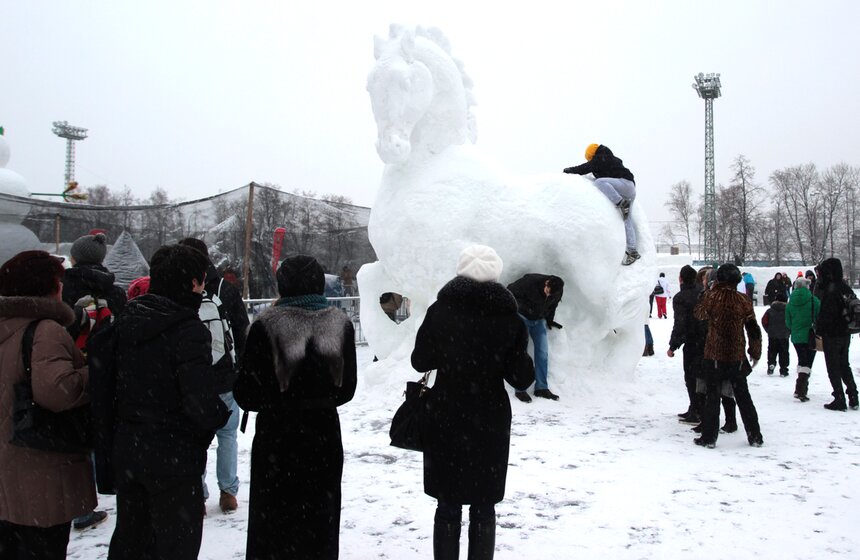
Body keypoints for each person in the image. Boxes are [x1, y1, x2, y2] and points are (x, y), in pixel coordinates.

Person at [90, 244, 230, 559]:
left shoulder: (126, 319)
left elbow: (106, 385)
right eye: (202, 280)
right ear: (193, 283)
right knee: (175, 543)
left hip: (128, 447)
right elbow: (199, 402)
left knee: (132, 536)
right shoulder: (187, 330)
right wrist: (216, 416)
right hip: (173, 456)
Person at [411, 245, 535, 560]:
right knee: (484, 504)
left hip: (446, 412)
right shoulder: (510, 319)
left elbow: (420, 360)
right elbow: (521, 378)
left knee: (447, 503)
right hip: (489, 417)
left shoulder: (440, 311)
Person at [234, 255, 357, 560]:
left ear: (282, 284)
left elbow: (246, 394)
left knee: (274, 521)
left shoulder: (264, 325)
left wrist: (278, 401)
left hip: (277, 439)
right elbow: (347, 389)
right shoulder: (340, 324)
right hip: (323, 435)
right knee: (321, 519)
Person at [0, 251, 97, 559]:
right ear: (52, 286)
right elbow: (56, 391)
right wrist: (93, 371)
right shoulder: (45, 330)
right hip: (39, 476)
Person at [179, 238, 250, 514]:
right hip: (225, 377)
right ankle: (228, 492)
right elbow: (242, 333)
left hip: (194, 378)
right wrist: (241, 369)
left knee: (195, 439)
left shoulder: (181, 288)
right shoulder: (226, 290)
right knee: (227, 436)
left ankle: (197, 491)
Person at [693, 263, 764, 448]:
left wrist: (707, 291)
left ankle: (709, 437)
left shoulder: (711, 297)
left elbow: (699, 314)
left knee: (712, 398)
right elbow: (753, 329)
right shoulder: (743, 300)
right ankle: (755, 435)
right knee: (744, 398)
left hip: (714, 355)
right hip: (736, 355)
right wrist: (755, 351)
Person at [563, 143, 640, 265]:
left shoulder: (601, 157)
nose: (591, 161)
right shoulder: (608, 158)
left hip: (624, 185)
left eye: (590, 158)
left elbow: (584, 168)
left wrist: (569, 171)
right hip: (629, 189)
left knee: (599, 182)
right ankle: (632, 251)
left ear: (592, 155)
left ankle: (620, 202)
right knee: (627, 220)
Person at [506, 272, 565, 401]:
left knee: (543, 353)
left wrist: (549, 320)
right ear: (547, 282)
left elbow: (553, 305)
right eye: (548, 291)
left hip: (538, 320)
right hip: (522, 317)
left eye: (552, 294)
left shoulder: (557, 291)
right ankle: (520, 389)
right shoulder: (530, 282)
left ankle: (541, 388)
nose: (548, 294)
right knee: (521, 352)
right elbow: (509, 291)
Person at [813, 258, 859, 411]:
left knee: (833, 366)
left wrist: (818, 329)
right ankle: (853, 395)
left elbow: (827, 314)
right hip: (846, 333)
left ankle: (839, 398)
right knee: (844, 364)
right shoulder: (845, 287)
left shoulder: (831, 290)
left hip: (832, 334)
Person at [668, 265, 705, 424]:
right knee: (701, 376)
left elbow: (680, 323)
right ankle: (697, 407)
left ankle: (696, 410)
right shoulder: (702, 294)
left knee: (690, 377)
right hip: (705, 340)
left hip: (691, 341)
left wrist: (673, 345)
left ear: (681, 279)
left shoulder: (681, 298)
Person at [785, 276, 820, 402]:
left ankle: (802, 387)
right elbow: (819, 317)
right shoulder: (813, 300)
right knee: (807, 362)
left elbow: (788, 322)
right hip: (810, 336)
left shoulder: (790, 302)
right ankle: (800, 389)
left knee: (802, 359)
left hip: (796, 336)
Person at [761, 291, 790, 376]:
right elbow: (791, 321)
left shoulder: (770, 310)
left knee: (772, 350)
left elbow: (764, 321)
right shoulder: (788, 310)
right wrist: (789, 330)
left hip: (772, 335)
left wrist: (768, 330)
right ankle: (783, 369)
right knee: (784, 352)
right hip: (784, 335)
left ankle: (771, 364)